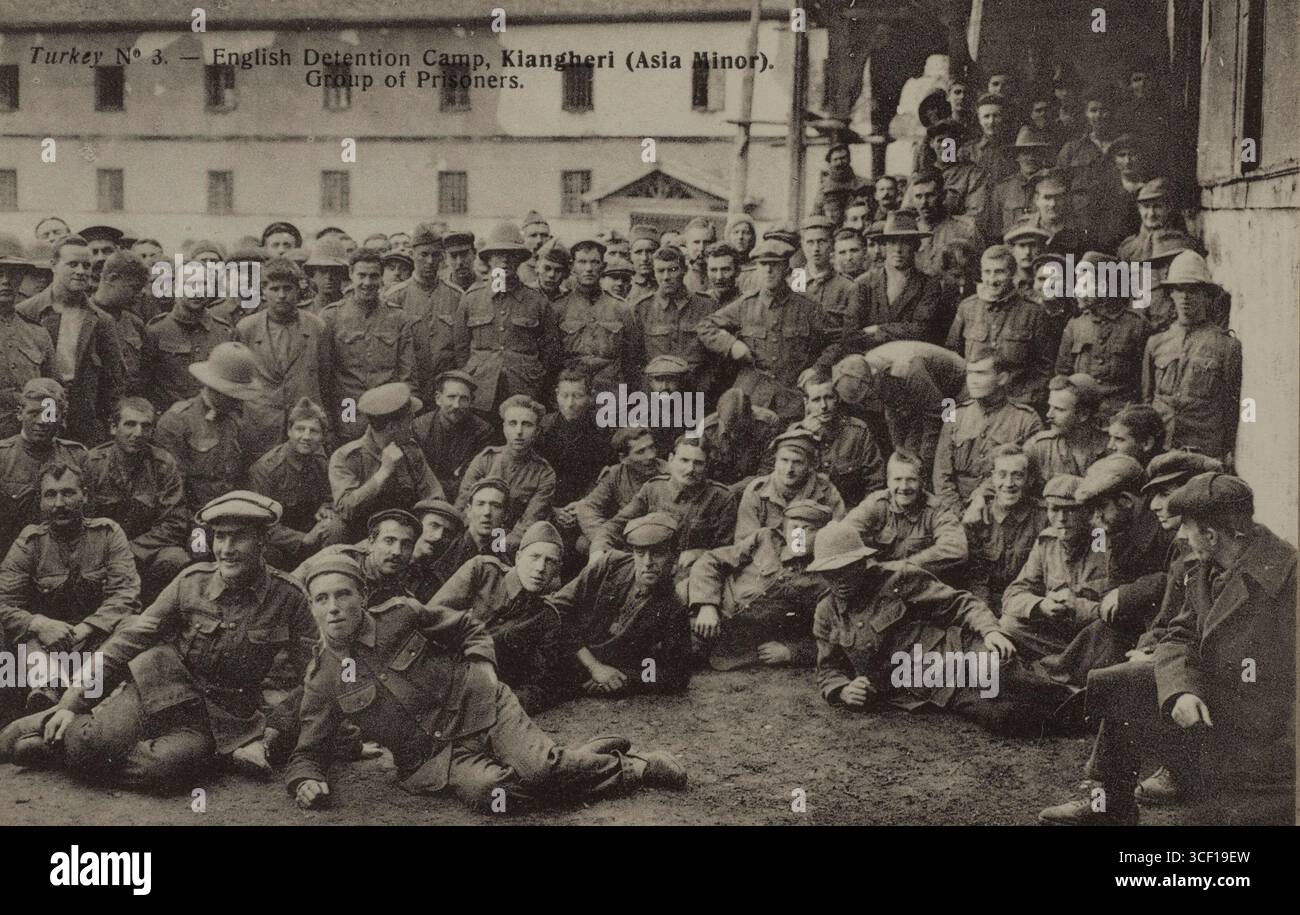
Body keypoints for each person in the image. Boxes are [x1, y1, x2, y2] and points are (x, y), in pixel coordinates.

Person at [284, 552, 685, 812]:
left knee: (539, 772)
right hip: (437, 759)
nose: (334, 607)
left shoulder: (402, 614)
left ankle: (635, 768)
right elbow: (308, 750)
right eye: (322, 599)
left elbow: (467, 627)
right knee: (493, 795)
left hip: (483, 705)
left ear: (363, 594)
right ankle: (577, 758)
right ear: (312, 605)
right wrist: (306, 779)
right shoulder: (323, 678)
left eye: (343, 595)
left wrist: (483, 668)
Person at [0, 492, 317, 788]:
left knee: (162, 770)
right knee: (90, 743)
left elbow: (316, 675)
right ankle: (63, 738)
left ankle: (59, 755)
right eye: (220, 537)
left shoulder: (289, 598)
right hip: (158, 686)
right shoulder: (191, 582)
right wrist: (72, 702)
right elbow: (130, 640)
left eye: (239, 537)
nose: (226, 549)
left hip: (220, 717)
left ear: (262, 540)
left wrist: (273, 733)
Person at [1038, 473, 1294, 825]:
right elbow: (1179, 635)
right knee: (1124, 681)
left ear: (1211, 535)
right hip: (1212, 704)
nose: (1181, 536)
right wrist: (1180, 690)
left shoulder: (1287, 579)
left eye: (1187, 528)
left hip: (1266, 733)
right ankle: (1109, 805)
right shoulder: (1207, 566)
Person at [809, 521, 1062, 736]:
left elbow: (959, 603)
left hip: (956, 653)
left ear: (862, 562)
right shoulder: (826, 612)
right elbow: (829, 668)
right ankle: (1075, 719)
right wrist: (843, 690)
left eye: (847, 569)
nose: (839, 580)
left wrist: (991, 631)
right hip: (927, 687)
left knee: (1007, 674)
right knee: (1004, 717)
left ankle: (1082, 699)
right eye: (830, 573)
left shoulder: (898, 578)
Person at [0, 461, 139, 711]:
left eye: (68, 493)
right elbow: (4, 602)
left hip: (96, 643)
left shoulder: (108, 534)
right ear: (41, 502)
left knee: (132, 624)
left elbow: (126, 595)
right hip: (45, 646)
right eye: (50, 495)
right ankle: (46, 693)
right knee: (21, 633)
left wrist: (86, 628)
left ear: (85, 495)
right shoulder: (30, 543)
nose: (59, 504)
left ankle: (95, 695)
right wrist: (39, 624)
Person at [550, 512, 693, 698]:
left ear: (674, 556)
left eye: (657, 553)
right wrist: (593, 666)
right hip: (561, 651)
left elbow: (676, 675)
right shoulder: (609, 565)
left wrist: (623, 678)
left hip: (595, 673)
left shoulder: (673, 607)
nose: (647, 562)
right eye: (640, 553)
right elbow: (556, 609)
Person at [429, 521, 567, 713]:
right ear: (518, 557)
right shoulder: (483, 570)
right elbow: (432, 617)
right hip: (434, 673)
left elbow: (540, 686)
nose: (540, 568)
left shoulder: (546, 618)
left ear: (557, 569)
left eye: (550, 561)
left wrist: (496, 702)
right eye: (534, 557)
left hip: (479, 697)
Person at [688, 499, 831, 670]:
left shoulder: (823, 581)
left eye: (809, 530)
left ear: (823, 534)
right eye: (794, 528)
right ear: (784, 529)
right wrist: (707, 605)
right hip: (701, 607)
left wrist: (791, 651)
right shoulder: (766, 539)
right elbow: (711, 560)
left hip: (736, 645)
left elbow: (831, 634)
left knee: (678, 656)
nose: (798, 537)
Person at [699, 239, 832, 422]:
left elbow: (837, 340)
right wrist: (732, 345)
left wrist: (818, 368)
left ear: (786, 268)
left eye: (774, 265)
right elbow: (705, 326)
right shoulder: (745, 305)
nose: (768, 270)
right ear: (756, 268)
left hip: (792, 398)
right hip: (752, 398)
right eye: (763, 264)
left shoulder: (807, 307)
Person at [22, 235, 126, 444]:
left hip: (85, 423)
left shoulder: (101, 321)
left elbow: (115, 382)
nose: (81, 271)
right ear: (53, 265)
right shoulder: (27, 312)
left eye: (86, 265)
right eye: (72, 264)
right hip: (40, 419)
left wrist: (103, 427)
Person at [84, 397, 191, 597]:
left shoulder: (163, 465)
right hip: (100, 556)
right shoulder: (93, 464)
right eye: (130, 424)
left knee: (175, 558)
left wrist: (130, 551)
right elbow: (82, 519)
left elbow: (174, 523)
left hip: (143, 555)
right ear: (114, 427)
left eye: (146, 426)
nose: (138, 433)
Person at [1141, 251, 1241, 462]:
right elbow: (1147, 398)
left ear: (1206, 295)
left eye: (1193, 290)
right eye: (1179, 290)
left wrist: (1229, 449)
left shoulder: (1226, 346)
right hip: (1162, 447)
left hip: (1203, 449)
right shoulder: (1156, 343)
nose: (1185, 297)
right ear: (1171, 294)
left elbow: (1232, 406)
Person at [999, 474, 1108, 663]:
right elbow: (1014, 594)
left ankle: (1062, 665)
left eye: (1071, 511)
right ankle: (1068, 663)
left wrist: (1077, 607)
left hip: (1093, 635)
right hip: (1060, 636)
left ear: (1087, 512)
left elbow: (1121, 607)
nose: (1062, 519)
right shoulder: (1046, 543)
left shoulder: (1104, 543)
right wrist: (1040, 605)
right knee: (1009, 623)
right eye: (1054, 509)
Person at [456, 223, 561, 414]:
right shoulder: (472, 299)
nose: (504, 260)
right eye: (498, 255)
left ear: (520, 259)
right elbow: (461, 349)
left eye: (511, 255)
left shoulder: (536, 300)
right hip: (481, 390)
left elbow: (550, 350)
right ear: (488, 259)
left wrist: (534, 377)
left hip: (523, 388)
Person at [590, 435, 734, 574]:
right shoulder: (653, 489)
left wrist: (700, 553)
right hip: (649, 568)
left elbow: (729, 550)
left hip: (691, 573)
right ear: (671, 460)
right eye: (684, 460)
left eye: (698, 463)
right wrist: (598, 550)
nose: (690, 469)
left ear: (707, 465)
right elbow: (615, 526)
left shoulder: (721, 498)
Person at [155, 342, 266, 516]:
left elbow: (246, 476)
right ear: (215, 388)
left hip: (230, 515)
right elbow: (173, 489)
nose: (239, 402)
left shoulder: (237, 420)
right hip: (193, 518)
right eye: (233, 396)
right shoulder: (177, 422)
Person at [319, 249, 417, 442]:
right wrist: (328, 422)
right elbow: (324, 377)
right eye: (361, 275)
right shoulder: (331, 316)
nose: (367, 283)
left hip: (387, 410)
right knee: (349, 456)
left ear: (381, 278)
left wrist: (403, 418)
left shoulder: (398, 318)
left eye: (373, 276)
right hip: (348, 407)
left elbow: (408, 375)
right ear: (350, 275)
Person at [329, 382, 443, 543]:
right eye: (409, 419)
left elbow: (434, 495)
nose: (413, 425)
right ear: (392, 427)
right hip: (362, 536)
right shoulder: (347, 457)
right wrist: (382, 474)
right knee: (334, 528)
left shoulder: (411, 450)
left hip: (405, 533)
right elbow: (345, 510)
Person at [234, 257, 329, 448]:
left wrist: (331, 425)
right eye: (274, 289)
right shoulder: (247, 328)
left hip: (305, 426)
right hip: (260, 427)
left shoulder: (316, 327)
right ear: (263, 291)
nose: (282, 295)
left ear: (298, 290)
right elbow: (237, 382)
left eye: (288, 288)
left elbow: (328, 380)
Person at [932, 354, 1043, 515]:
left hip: (1004, 509)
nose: (973, 380)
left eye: (981, 373)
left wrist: (984, 499)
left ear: (1002, 378)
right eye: (970, 373)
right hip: (955, 511)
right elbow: (941, 476)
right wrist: (958, 515)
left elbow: (1027, 476)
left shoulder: (1026, 419)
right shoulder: (954, 414)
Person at [947, 244, 1055, 408]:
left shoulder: (1034, 313)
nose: (992, 280)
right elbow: (952, 359)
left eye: (999, 272)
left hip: (1015, 404)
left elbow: (1045, 369)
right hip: (972, 403)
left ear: (1012, 273)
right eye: (987, 272)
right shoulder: (967, 308)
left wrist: (1023, 401)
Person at [248, 397, 346, 567]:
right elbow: (262, 525)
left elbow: (330, 496)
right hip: (279, 541)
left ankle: (328, 574)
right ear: (289, 431)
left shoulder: (321, 462)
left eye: (313, 431)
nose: (306, 437)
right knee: (267, 553)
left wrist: (326, 507)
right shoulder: (266, 469)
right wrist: (304, 539)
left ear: (322, 436)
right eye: (300, 429)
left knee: (336, 527)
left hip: (311, 531)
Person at [455, 394, 556, 556]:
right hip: (472, 538)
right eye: (512, 423)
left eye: (527, 425)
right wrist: (473, 541)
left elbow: (527, 523)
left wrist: (495, 548)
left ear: (537, 431)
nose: (519, 431)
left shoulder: (544, 473)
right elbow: (462, 506)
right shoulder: (485, 460)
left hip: (509, 547)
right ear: (504, 428)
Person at [842, 450, 967, 580]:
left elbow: (956, 549)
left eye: (911, 479)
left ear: (922, 482)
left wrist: (898, 567)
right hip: (880, 584)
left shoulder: (937, 510)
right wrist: (866, 564)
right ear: (888, 481)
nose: (904, 486)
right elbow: (841, 534)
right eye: (897, 479)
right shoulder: (877, 504)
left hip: (922, 583)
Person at [0, 379, 89, 555]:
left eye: (50, 414)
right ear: (20, 413)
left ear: (62, 417)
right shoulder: (3, 457)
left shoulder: (77, 456)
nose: (42, 421)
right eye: (34, 413)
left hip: (63, 555)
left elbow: (88, 517)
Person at [1055, 255, 1150, 419]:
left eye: (1085, 284)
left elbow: (1146, 384)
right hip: (1082, 416)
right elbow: (1062, 375)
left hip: (1122, 417)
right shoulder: (1075, 325)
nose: (1077, 291)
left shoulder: (1136, 325)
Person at [785, 366, 885, 507]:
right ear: (806, 403)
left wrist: (861, 516)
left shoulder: (857, 431)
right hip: (807, 514)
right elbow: (786, 484)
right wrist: (804, 436)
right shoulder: (794, 434)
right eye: (816, 400)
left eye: (829, 398)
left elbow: (875, 482)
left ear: (837, 398)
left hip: (850, 515)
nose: (824, 406)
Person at [551, 238, 640, 394]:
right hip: (572, 393)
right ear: (572, 267)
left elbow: (632, 361)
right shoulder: (558, 308)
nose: (589, 268)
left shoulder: (621, 308)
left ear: (603, 267)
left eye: (594, 262)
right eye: (582, 262)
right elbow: (551, 358)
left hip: (610, 392)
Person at [963, 443, 1047, 606]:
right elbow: (976, 579)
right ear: (992, 478)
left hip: (1028, 604)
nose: (1009, 484)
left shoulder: (1043, 518)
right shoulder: (977, 519)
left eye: (1017, 476)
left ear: (1029, 479)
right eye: (1002, 475)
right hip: (986, 603)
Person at [844, 210, 942, 350]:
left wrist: (878, 329)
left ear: (916, 246)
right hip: (868, 357)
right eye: (892, 242)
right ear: (884, 245)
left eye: (905, 242)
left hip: (910, 359)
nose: (898, 249)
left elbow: (921, 330)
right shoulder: (863, 284)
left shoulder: (928, 285)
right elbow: (850, 336)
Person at [631, 246, 717, 393]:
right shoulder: (642, 308)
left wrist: (706, 386)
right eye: (660, 271)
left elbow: (716, 358)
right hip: (657, 393)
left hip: (697, 393)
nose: (666, 277)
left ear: (684, 270)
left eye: (672, 270)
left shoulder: (706, 305)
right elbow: (635, 358)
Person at [735, 429, 845, 540]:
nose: (789, 469)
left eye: (797, 462)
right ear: (775, 462)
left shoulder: (825, 490)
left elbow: (839, 536)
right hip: (767, 554)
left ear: (811, 466)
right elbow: (745, 541)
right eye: (784, 460)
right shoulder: (757, 491)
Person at [0, 237, 56, 440]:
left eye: (13, 273)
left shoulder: (37, 333)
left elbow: (54, 391)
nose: (6, 281)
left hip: (29, 444)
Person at [574, 427, 665, 549]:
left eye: (652, 447)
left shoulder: (670, 473)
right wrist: (603, 538)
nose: (651, 455)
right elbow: (588, 507)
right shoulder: (616, 474)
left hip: (659, 537)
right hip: (627, 538)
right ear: (623, 458)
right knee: (583, 543)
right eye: (641, 452)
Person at [411, 370, 495, 501]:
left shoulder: (482, 431)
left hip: (464, 498)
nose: (456, 405)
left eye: (463, 399)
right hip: (425, 497)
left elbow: (475, 478)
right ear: (438, 398)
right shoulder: (419, 427)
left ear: (471, 402)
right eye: (451, 397)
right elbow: (417, 477)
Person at [1024, 373, 1110, 480]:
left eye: (1059, 409)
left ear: (1083, 415)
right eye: (1050, 407)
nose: (1049, 415)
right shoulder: (1038, 447)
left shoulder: (1111, 448)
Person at [698, 387, 782, 489]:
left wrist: (732, 491)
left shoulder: (767, 425)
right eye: (729, 430)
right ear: (719, 418)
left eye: (741, 430)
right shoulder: (707, 429)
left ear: (752, 416)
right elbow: (697, 465)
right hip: (715, 487)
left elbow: (768, 470)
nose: (734, 435)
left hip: (751, 488)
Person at [91, 251, 150, 397]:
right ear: (112, 278)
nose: (140, 294)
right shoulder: (85, 318)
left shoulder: (135, 323)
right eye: (134, 288)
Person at [911, 170, 984, 277]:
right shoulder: (909, 231)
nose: (924, 203)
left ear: (943, 195)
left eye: (930, 195)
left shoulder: (966, 229)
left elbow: (980, 270)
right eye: (918, 196)